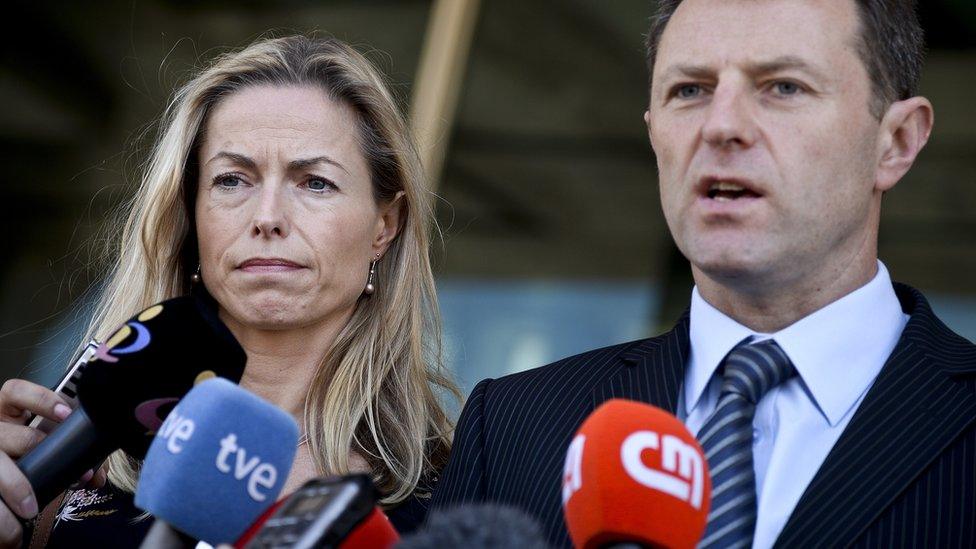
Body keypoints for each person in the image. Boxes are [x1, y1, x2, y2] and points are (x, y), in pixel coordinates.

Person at [432, 0, 974, 547]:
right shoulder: (512, 427)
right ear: (653, 132)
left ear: (897, 141)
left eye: (783, 87)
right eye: (690, 90)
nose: (721, 126)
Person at [0, 34, 460, 548]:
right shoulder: (80, 456)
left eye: (315, 183)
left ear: (384, 225)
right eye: (232, 180)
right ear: (191, 215)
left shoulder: (448, 493)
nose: (267, 218)